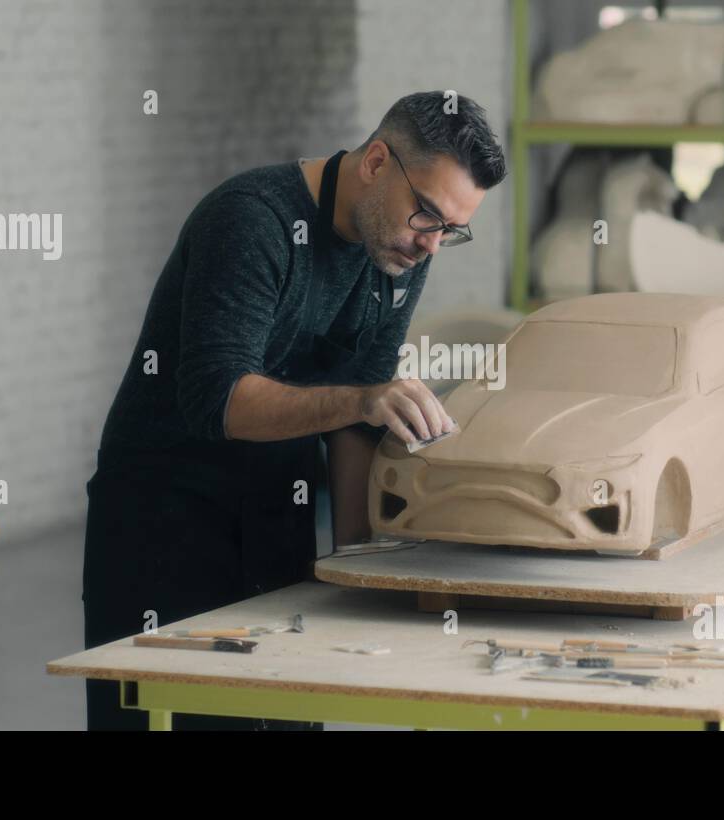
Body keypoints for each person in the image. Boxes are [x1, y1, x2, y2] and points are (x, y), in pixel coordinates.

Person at [81, 91, 507, 729]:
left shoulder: (397, 252)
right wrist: (365, 398)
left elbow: (359, 424)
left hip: (279, 508)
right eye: (428, 216)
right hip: (164, 520)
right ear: (376, 164)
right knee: (176, 716)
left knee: (284, 714)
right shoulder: (251, 220)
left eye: (452, 229)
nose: (433, 247)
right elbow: (218, 399)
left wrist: (360, 569)